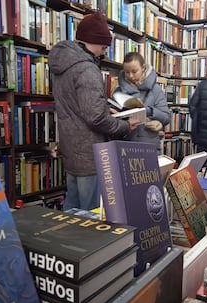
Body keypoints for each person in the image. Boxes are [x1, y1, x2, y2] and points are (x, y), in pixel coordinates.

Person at [49, 12, 140, 211]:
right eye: (103, 46)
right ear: (93, 41)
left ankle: (67, 243)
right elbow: (95, 118)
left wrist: (103, 107)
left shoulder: (62, 65)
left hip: (71, 149)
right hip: (89, 153)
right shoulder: (87, 69)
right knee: (91, 214)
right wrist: (125, 125)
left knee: (71, 210)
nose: (103, 52)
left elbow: (77, 105)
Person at [112, 52, 170, 151]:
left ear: (143, 68)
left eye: (134, 71)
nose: (130, 76)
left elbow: (166, 117)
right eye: (126, 72)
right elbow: (112, 121)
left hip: (149, 147)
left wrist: (148, 111)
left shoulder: (155, 90)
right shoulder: (119, 92)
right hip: (125, 146)